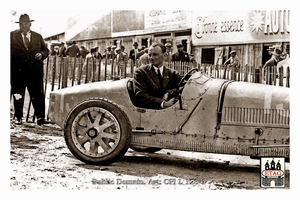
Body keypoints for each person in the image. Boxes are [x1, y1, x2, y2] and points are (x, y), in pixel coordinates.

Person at [10, 14, 50, 125]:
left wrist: (41, 55)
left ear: (30, 24)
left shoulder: (38, 37)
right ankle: (18, 117)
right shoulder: (11, 36)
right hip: (17, 72)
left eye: (26, 23)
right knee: (18, 94)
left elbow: (46, 50)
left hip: (34, 72)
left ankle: (40, 118)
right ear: (19, 24)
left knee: (38, 94)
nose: (24, 25)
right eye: (21, 23)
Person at [133, 42, 182, 109]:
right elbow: (140, 95)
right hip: (148, 112)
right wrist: (162, 103)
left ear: (164, 55)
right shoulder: (140, 72)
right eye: (150, 55)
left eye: (155, 55)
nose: (151, 58)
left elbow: (183, 88)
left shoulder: (172, 73)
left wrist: (169, 93)